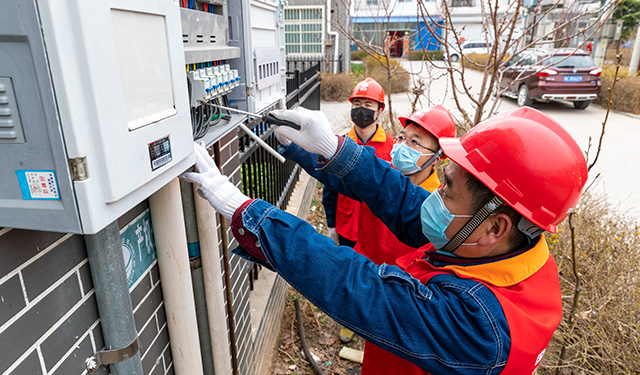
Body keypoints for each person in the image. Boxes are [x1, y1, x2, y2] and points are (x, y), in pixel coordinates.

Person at [182, 106, 588, 374]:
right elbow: (405, 202)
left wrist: (251, 214)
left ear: (494, 227)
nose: (434, 197)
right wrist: (333, 149)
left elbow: (362, 289)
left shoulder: (483, 328)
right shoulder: (503, 249)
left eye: (446, 191)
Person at [279, 105, 456, 266]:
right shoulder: (376, 176)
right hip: (361, 266)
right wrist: (294, 148)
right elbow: (334, 175)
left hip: (397, 287)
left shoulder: (440, 208)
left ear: (439, 156)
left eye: (414, 142)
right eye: (401, 138)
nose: (403, 146)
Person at [322, 77, 393, 343]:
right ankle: (349, 319)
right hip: (348, 224)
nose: (362, 109)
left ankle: (372, 320)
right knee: (349, 272)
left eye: (368, 103)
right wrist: (331, 225)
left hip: (379, 227)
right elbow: (329, 189)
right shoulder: (339, 144)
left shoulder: (392, 147)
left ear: (380, 109)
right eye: (357, 103)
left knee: (375, 276)